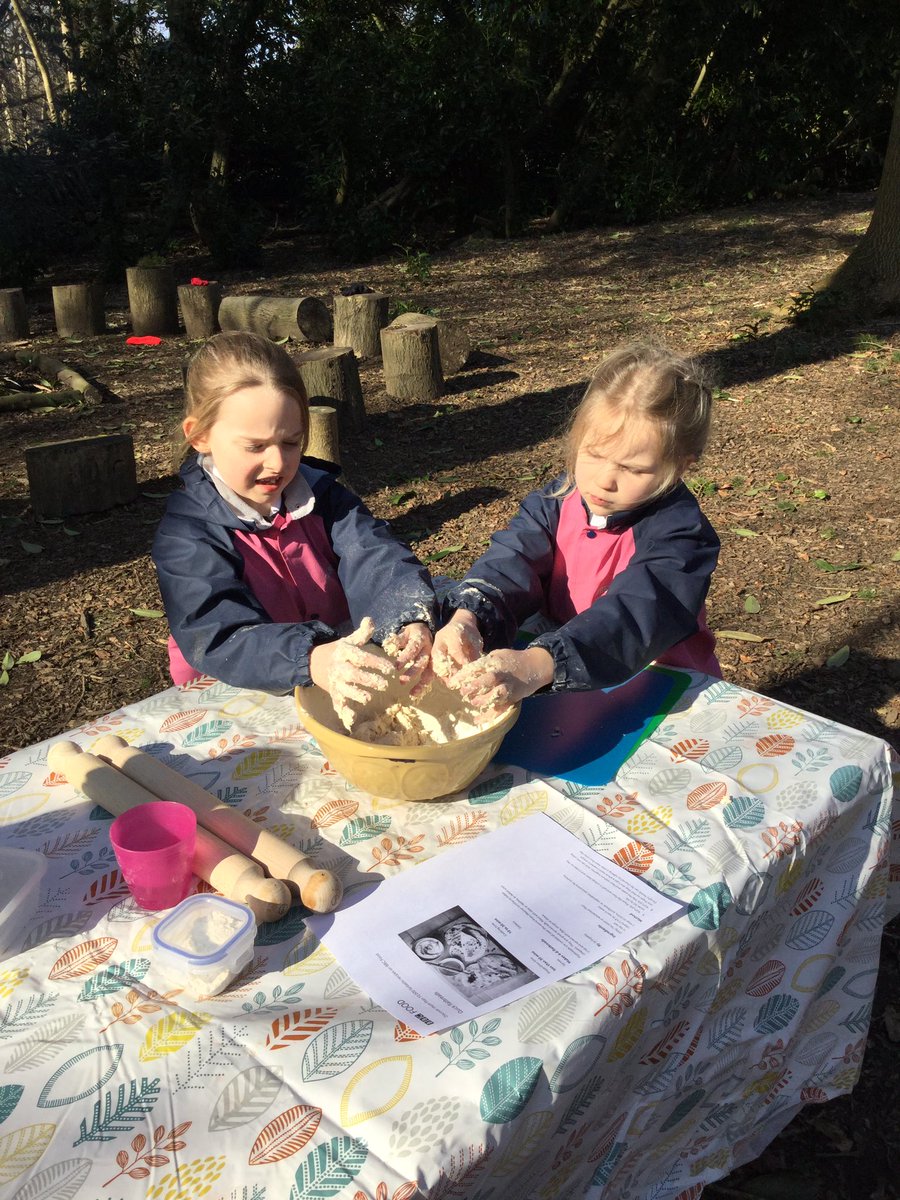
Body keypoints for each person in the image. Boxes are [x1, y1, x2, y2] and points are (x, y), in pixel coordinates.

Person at [432, 341, 721, 720]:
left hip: (658, 680)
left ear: (680, 466)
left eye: (633, 469)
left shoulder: (681, 535)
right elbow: (512, 559)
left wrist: (541, 662)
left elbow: (634, 615)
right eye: (594, 455)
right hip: (562, 669)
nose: (604, 481)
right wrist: (468, 616)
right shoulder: (558, 499)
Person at [152, 332, 436, 710]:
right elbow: (218, 634)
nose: (278, 463)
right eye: (255, 446)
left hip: (336, 672)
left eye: (291, 442)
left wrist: (406, 620)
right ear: (200, 436)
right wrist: (310, 658)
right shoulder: (188, 534)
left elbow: (377, 558)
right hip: (237, 693)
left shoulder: (325, 497)